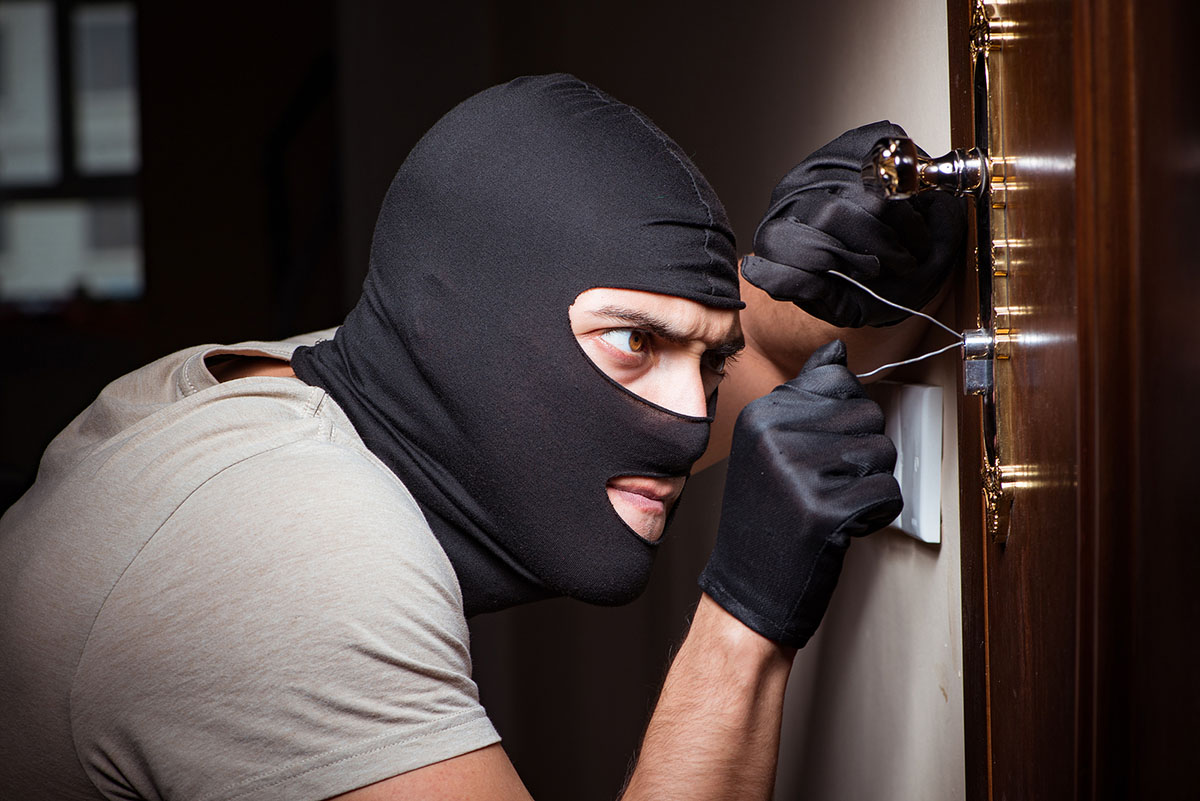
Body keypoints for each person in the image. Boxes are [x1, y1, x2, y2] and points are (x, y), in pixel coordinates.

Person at [0, 74, 962, 800]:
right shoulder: (290, 552)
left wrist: (827, 277)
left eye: (708, 359)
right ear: (479, 334)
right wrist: (746, 621)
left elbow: (738, 349)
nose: (691, 416)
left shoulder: (327, 381)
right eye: (636, 342)